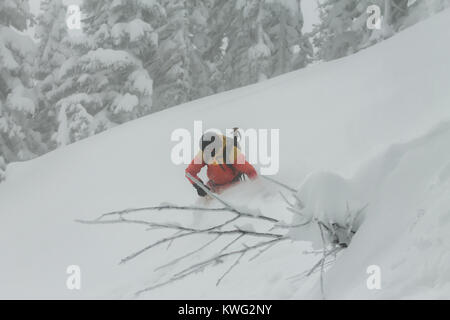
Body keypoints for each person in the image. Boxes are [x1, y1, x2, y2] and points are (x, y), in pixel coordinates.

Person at [186, 131, 257, 197]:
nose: (208, 153)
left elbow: (250, 170)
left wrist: (258, 186)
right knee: (204, 202)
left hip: (234, 186)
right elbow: (189, 172)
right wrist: (199, 186)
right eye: (206, 150)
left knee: (233, 198)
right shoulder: (204, 154)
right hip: (213, 187)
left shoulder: (231, 152)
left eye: (210, 149)